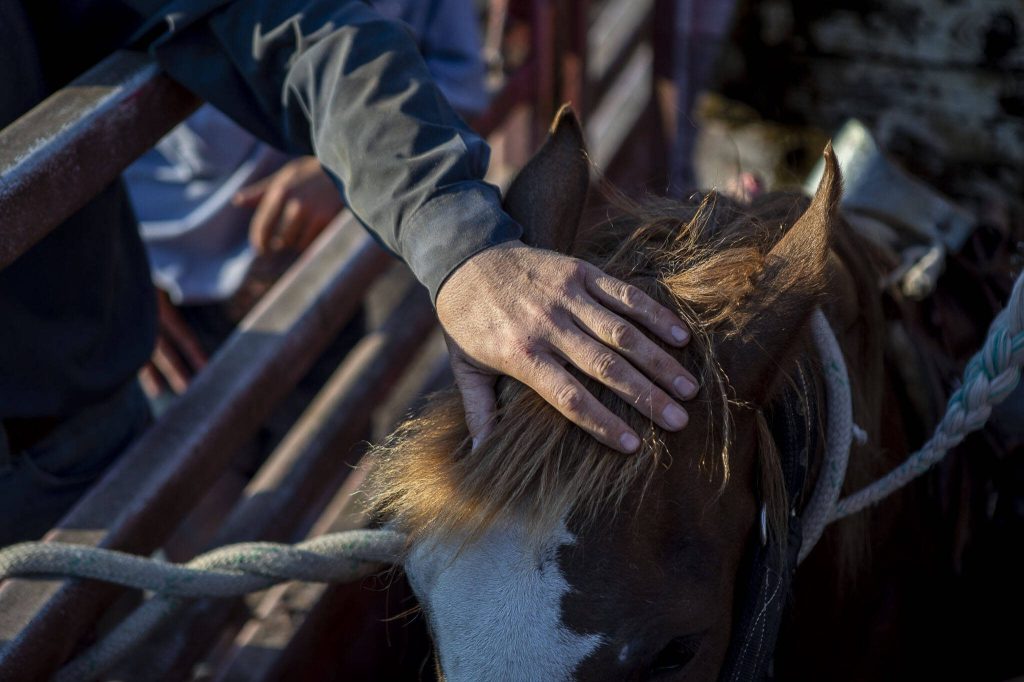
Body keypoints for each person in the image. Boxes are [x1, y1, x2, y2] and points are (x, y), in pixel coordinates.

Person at [0, 0, 696, 545]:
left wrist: (457, 240)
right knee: (206, 502)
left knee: (311, 457)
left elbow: (312, 37)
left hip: (138, 360)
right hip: (170, 297)